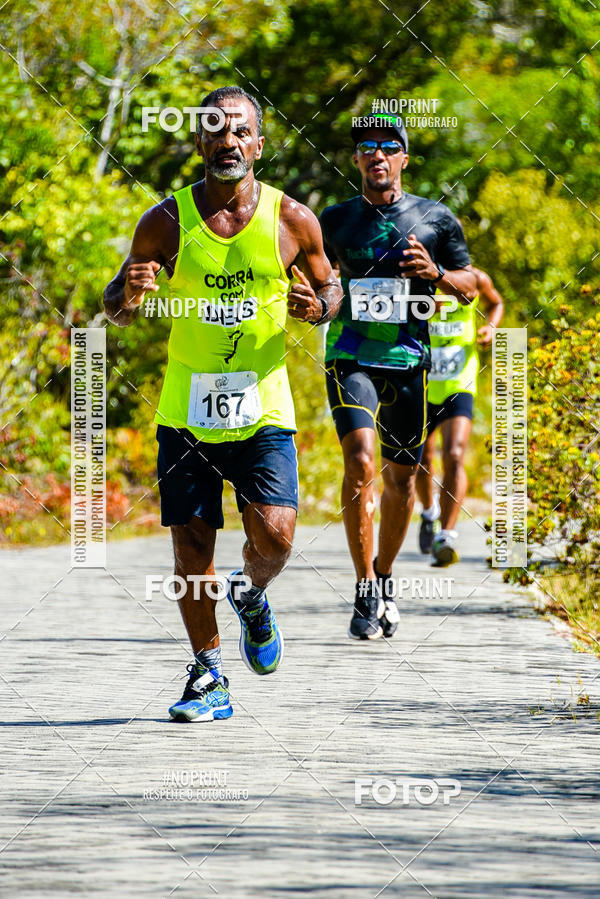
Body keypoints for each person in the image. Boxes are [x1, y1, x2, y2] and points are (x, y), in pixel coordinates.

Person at [104, 86, 341, 721]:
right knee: (191, 548)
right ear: (200, 142)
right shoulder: (165, 222)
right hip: (186, 408)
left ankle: (254, 595)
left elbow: (330, 289)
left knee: (277, 536)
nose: (227, 141)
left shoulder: (293, 220)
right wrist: (126, 293)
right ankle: (208, 673)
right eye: (215, 130)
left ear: (258, 144)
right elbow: (118, 309)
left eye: (240, 131)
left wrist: (317, 308)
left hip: (262, 404)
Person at [320, 114, 476, 640]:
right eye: (367, 147)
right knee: (360, 459)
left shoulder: (435, 218)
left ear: (404, 158)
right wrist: (315, 303)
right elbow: (315, 281)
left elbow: (470, 286)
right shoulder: (335, 220)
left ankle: (385, 576)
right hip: (351, 356)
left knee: (402, 479)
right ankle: (364, 588)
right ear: (358, 159)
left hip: (408, 361)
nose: (377, 155)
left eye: (389, 146)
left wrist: (436, 275)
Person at [416, 265, 504, 565]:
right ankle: (429, 513)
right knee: (421, 460)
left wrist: (490, 326)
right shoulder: (415, 276)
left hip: (459, 381)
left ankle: (447, 535)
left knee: (454, 454)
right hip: (421, 381)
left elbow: (496, 302)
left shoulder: (476, 277)